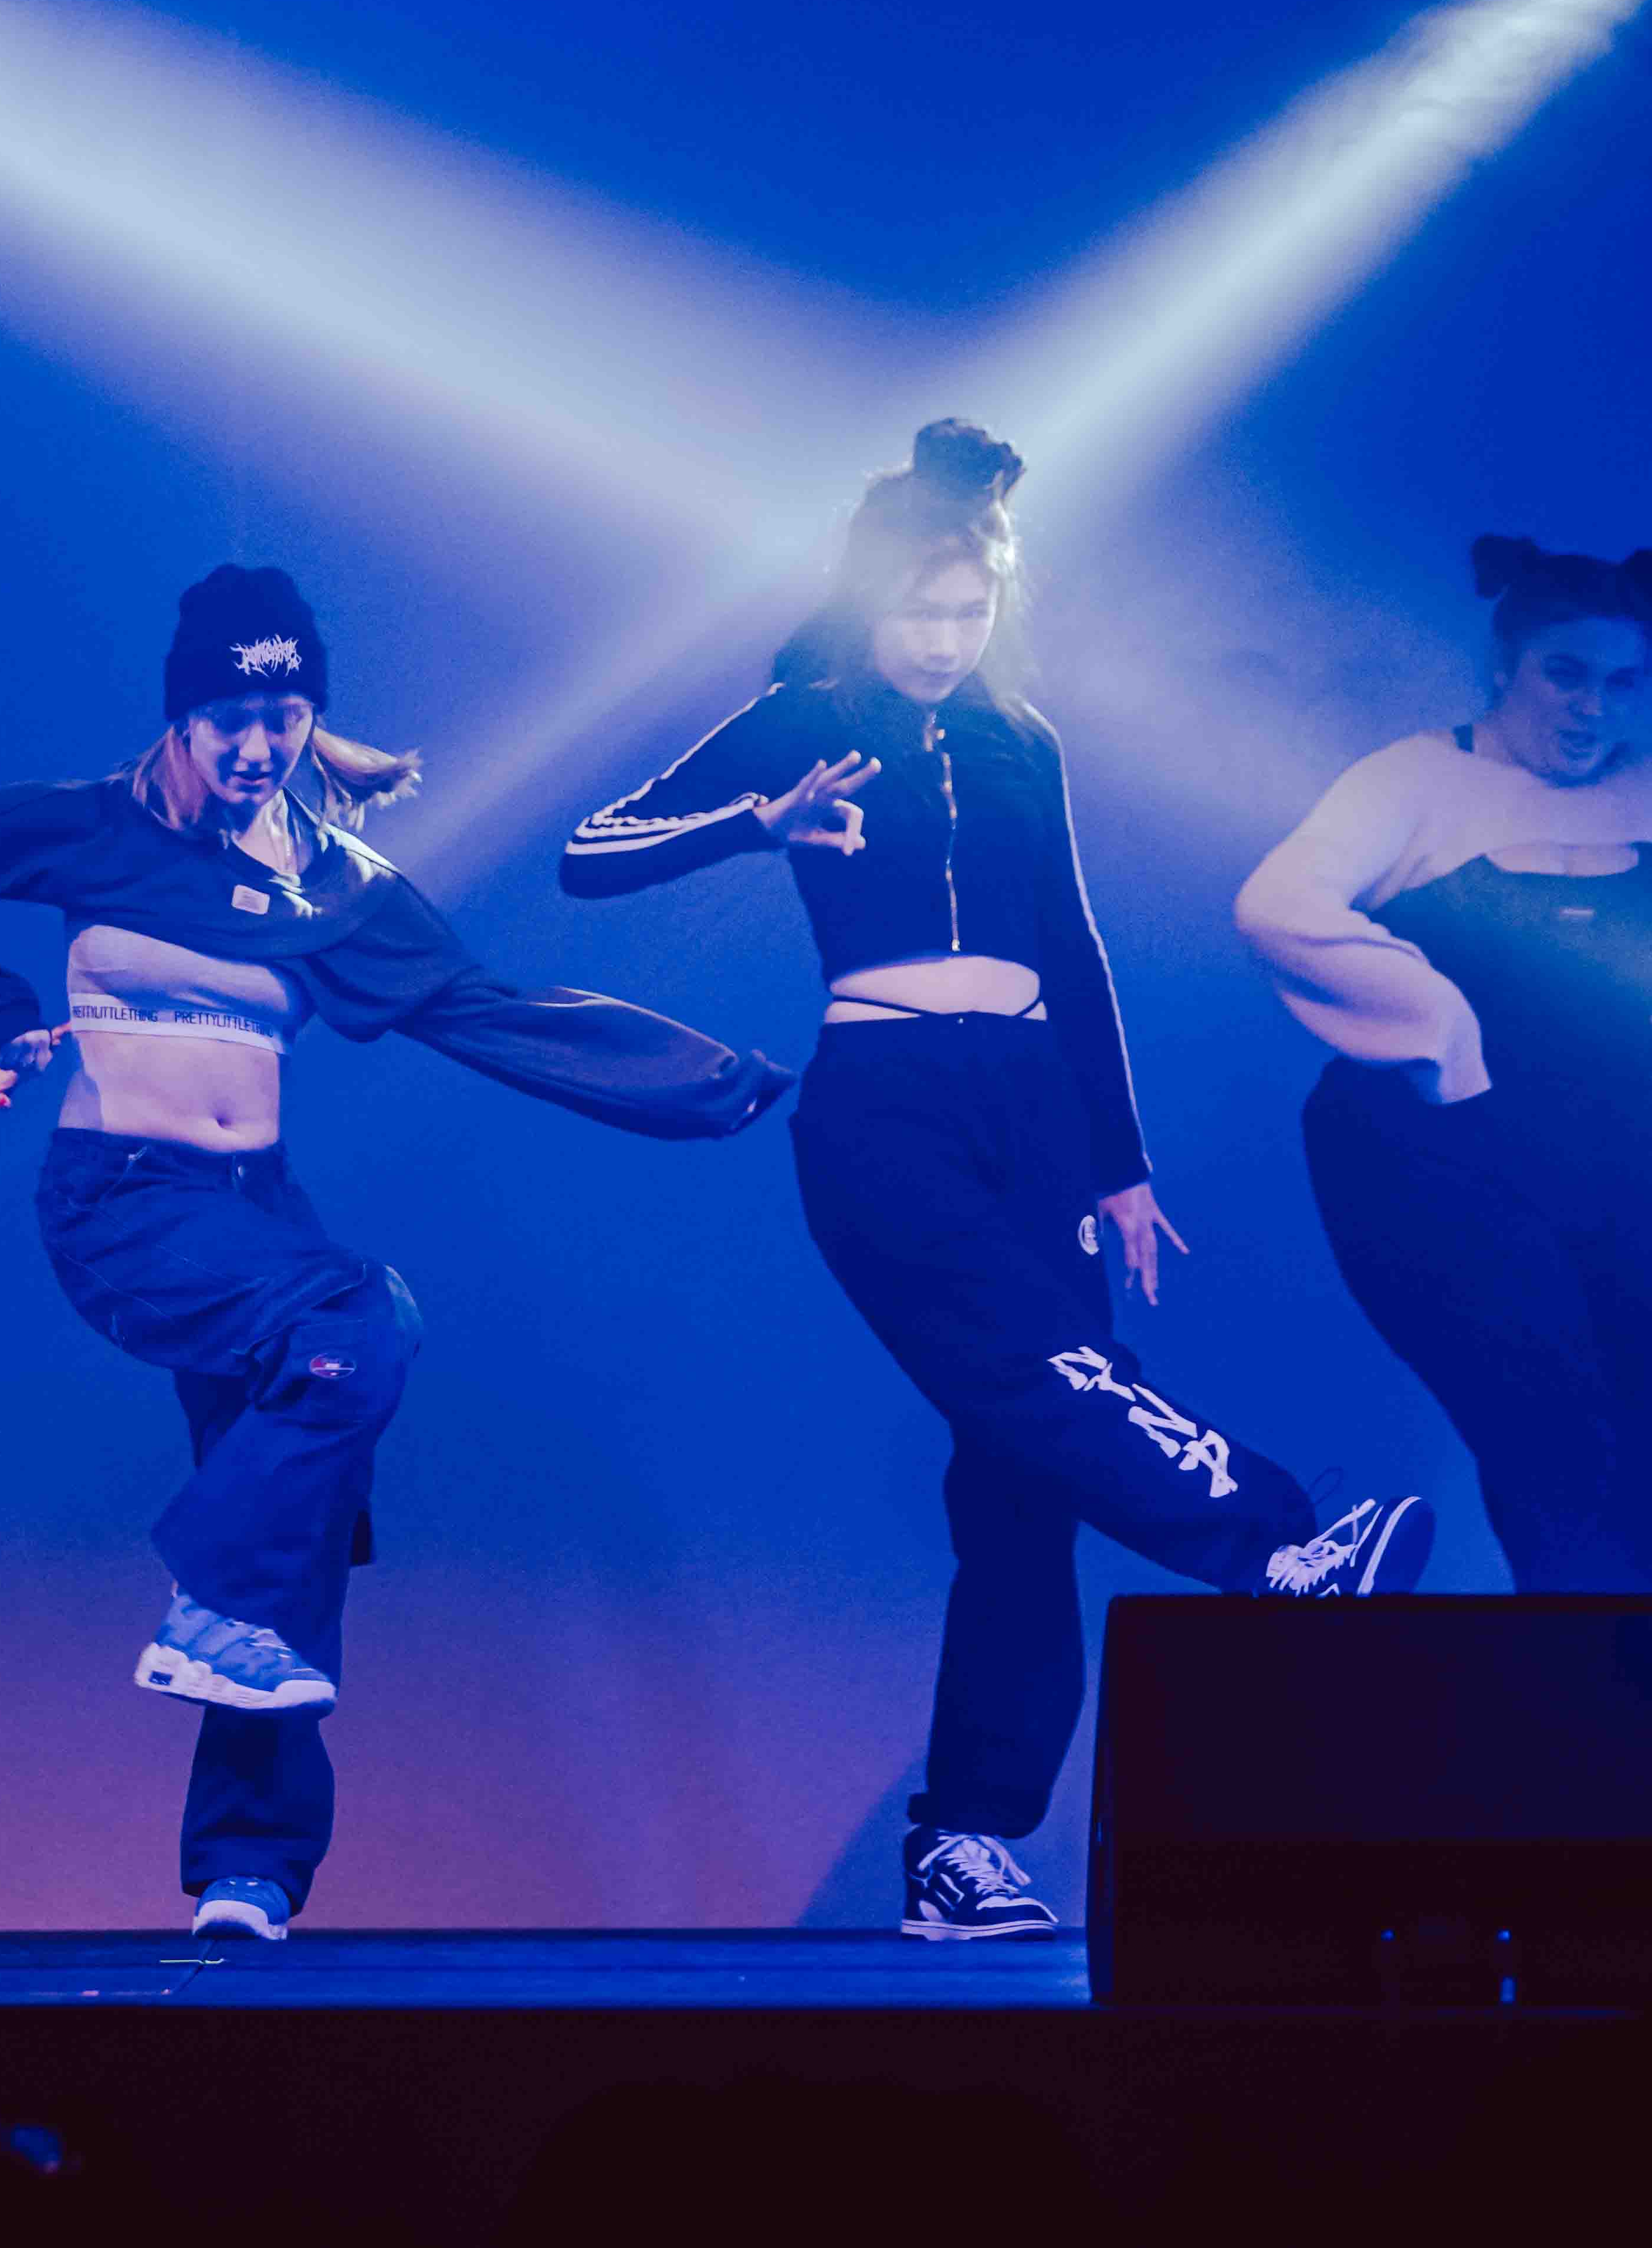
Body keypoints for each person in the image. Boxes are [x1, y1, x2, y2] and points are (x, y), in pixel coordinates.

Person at [563, 420, 1431, 1946]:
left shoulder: (1022, 742)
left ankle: (963, 1847)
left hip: (1030, 1113)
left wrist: (1119, 1163)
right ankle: (1275, 1547)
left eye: (968, 613)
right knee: (1046, 1373)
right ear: (867, 599)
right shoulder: (801, 719)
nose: (942, 639)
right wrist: (754, 824)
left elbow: (1072, 948)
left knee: (1026, 1484)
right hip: (882, 1105)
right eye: (918, 611)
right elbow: (592, 847)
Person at [0, 566, 791, 1943]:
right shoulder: (96, 827)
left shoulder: (340, 885)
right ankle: (211, 1596)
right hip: (124, 1200)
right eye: (226, 718)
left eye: (280, 717)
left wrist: (706, 1084)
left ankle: (249, 1867)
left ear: (311, 716)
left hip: (252, 1216)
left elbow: (493, 1012)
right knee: (360, 1319)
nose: (254, 746)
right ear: (180, 715)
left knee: (301, 1514)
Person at [1234, 536, 1652, 1595]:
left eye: (1621, 683)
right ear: (1505, 665)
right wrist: (1436, 1020)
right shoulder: (1413, 781)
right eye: (1566, 674)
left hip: (1612, 1152)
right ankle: (1606, 1669)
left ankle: (1609, 1679)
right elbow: (1278, 904)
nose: (1592, 708)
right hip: (1426, 1148)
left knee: (1615, 1466)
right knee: (1556, 1424)